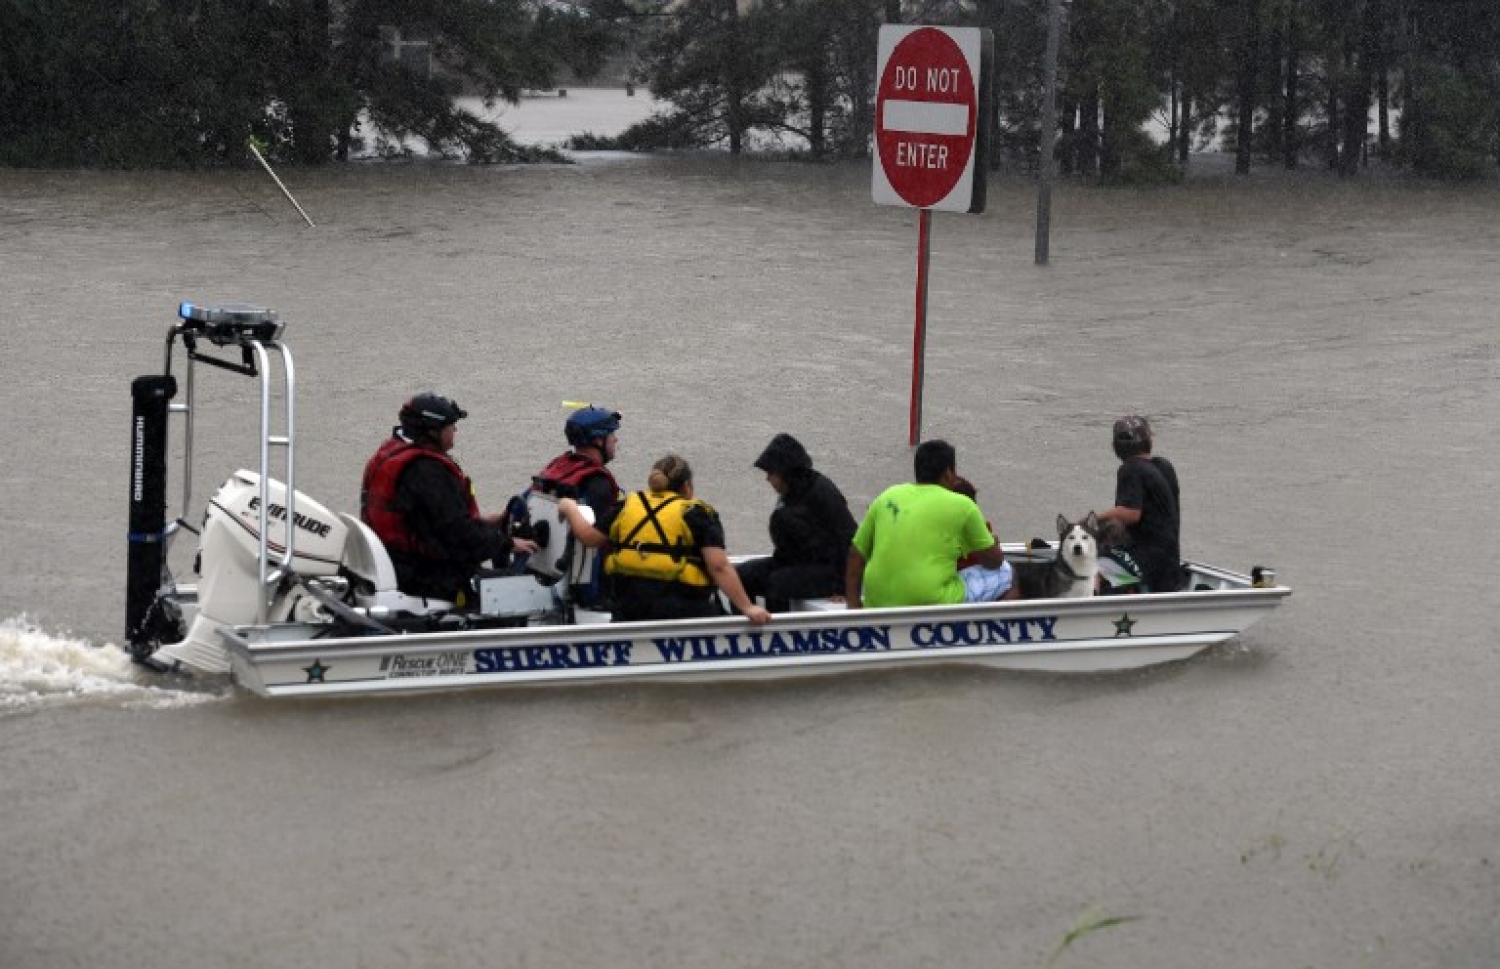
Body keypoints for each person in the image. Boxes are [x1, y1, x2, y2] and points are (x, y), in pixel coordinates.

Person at [360, 393, 536, 605]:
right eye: (451, 425)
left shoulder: (391, 454)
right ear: (433, 430)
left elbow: (429, 520)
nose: (455, 431)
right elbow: (457, 535)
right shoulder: (427, 470)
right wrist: (507, 543)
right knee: (518, 594)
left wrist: (485, 522)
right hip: (425, 576)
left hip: (396, 563)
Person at [578, 454, 770, 624]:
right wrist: (747, 607)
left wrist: (569, 509)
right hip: (683, 613)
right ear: (687, 486)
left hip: (629, 611)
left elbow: (588, 537)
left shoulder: (626, 506)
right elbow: (719, 566)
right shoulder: (695, 514)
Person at [845, 439, 1005, 609]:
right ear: (948, 473)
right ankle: (1004, 629)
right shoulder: (964, 505)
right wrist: (993, 544)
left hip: (877, 603)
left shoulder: (886, 496)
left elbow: (855, 555)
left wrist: (854, 608)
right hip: (931, 601)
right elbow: (993, 563)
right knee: (1006, 572)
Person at [734, 433, 857, 612]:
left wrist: (843, 587)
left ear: (785, 473)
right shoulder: (789, 493)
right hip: (794, 561)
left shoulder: (822, 491)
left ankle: (778, 634)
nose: (767, 479)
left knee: (777, 583)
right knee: (740, 575)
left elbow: (849, 538)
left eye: (771, 473)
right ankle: (745, 628)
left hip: (827, 571)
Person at [530, 405, 625, 606]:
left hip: (546, 573)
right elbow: (599, 538)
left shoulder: (559, 466)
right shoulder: (597, 482)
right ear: (598, 440)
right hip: (587, 590)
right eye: (612, 434)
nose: (616, 440)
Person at [1093, 414, 1184, 593]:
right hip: (1169, 563)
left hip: (1146, 562)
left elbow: (1130, 514)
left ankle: (1094, 608)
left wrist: (1093, 520)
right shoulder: (1164, 466)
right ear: (1150, 440)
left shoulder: (1130, 469)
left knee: (1086, 565)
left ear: (1114, 447)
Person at [948, 475, 1018, 601]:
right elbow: (995, 562)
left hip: (960, 581)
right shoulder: (980, 529)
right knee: (1008, 572)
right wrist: (994, 547)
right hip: (964, 583)